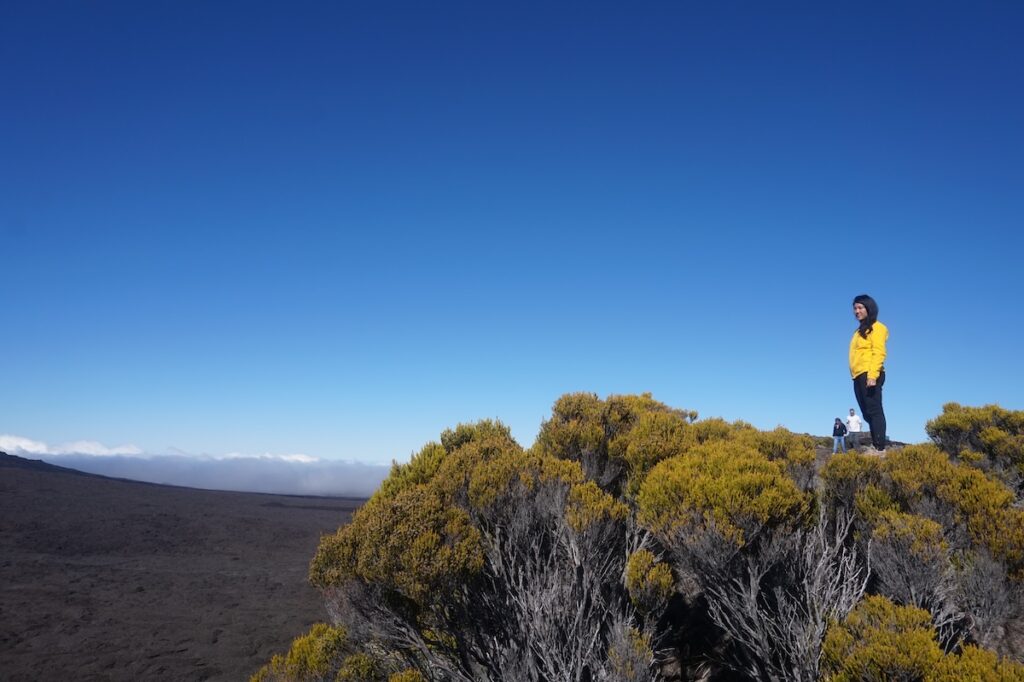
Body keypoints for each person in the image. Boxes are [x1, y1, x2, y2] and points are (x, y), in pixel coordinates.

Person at [849, 294, 888, 452]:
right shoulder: (859, 331)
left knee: (874, 410)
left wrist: (872, 375)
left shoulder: (877, 327)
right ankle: (876, 443)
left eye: (860, 308)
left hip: (870, 373)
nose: (856, 311)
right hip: (858, 375)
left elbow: (879, 352)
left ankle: (880, 448)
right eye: (855, 308)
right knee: (866, 413)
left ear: (868, 308)